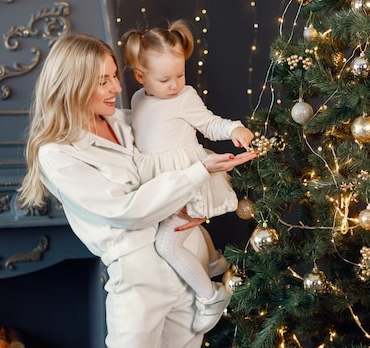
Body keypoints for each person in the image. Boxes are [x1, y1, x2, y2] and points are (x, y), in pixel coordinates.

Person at [17, 33, 257, 348]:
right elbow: (126, 211)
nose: (117, 88)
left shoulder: (126, 119)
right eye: (104, 81)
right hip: (141, 279)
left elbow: (182, 142)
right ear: (72, 85)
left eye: (115, 76)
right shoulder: (57, 153)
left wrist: (200, 197)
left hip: (186, 261)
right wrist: (197, 174)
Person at [120, 20, 254, 334]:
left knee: (168, 244)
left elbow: (209, 124)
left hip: (189, 179)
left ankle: (210, 296)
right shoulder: (139, 99)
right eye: (165, 79)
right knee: (174, 229)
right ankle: (211, 262)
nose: (175, 84)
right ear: (141, 77)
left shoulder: (185, 97)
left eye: (180, 74)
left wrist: (234, 128)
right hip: (158, 182)